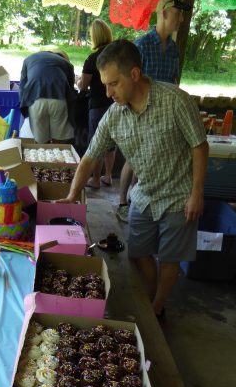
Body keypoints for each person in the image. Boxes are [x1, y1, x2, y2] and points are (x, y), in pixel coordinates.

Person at [59, 39, 208, 319]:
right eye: (105, 84)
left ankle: (156, 307)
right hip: (144, 195)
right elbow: (90, 156)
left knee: (170, 259)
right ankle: (150, 300)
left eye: (113, 83)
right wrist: (71, 196)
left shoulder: (176, 100)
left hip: (179, 195)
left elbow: (199, 145)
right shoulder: (115, 114)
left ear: (135, 75)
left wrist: (197, 192)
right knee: (137, 254)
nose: (108, 91)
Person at [116, 0, 191, 223]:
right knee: (134, 158)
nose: (181, 19)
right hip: (141, 110)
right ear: (165, 13)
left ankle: (141, 203)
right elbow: (131, 82)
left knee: (152, 161)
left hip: (166, 112)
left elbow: (174, 81)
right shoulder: (143, 45)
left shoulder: (174, 50)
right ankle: (122, 203)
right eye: (178, 13)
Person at [77, 19, 116, 189]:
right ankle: (108, 176)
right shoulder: (117, 56)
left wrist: (79, 81)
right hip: (116, 104)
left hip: (98, 105)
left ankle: (95, 179)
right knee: (111, 143)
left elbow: (83, 86)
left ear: (94, 37)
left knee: (97, 142)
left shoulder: (93, 59)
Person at [19, 50, 76, 144]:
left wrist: (25, 111)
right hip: (59, 100)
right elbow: (71, 90)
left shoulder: (28, 59)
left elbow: (22, 88)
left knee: (41, 145)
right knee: (59, 145)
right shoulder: (66, 63)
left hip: (35, 100)